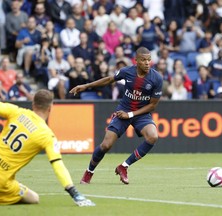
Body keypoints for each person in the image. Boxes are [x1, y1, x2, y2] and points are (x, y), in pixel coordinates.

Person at [0, 80, 95, 207]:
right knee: (33, 198)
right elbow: (58, 165)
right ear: (50, 108)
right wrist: (74, 192)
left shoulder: (17, 111)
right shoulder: (46, 135)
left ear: (33, 104)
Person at [70, 47, 163, 184]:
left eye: (149, 60)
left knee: (153, 136)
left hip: (141, 113)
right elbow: (109, 80)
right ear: (136, 61)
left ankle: (124, 166)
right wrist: (86, 86)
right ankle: (89, 172)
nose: (147, 63)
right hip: (123, 110)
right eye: (143, 60)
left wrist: (130, 114)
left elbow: (152, 106)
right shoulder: (127, 72)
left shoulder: (156, 78)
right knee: (106, 145)